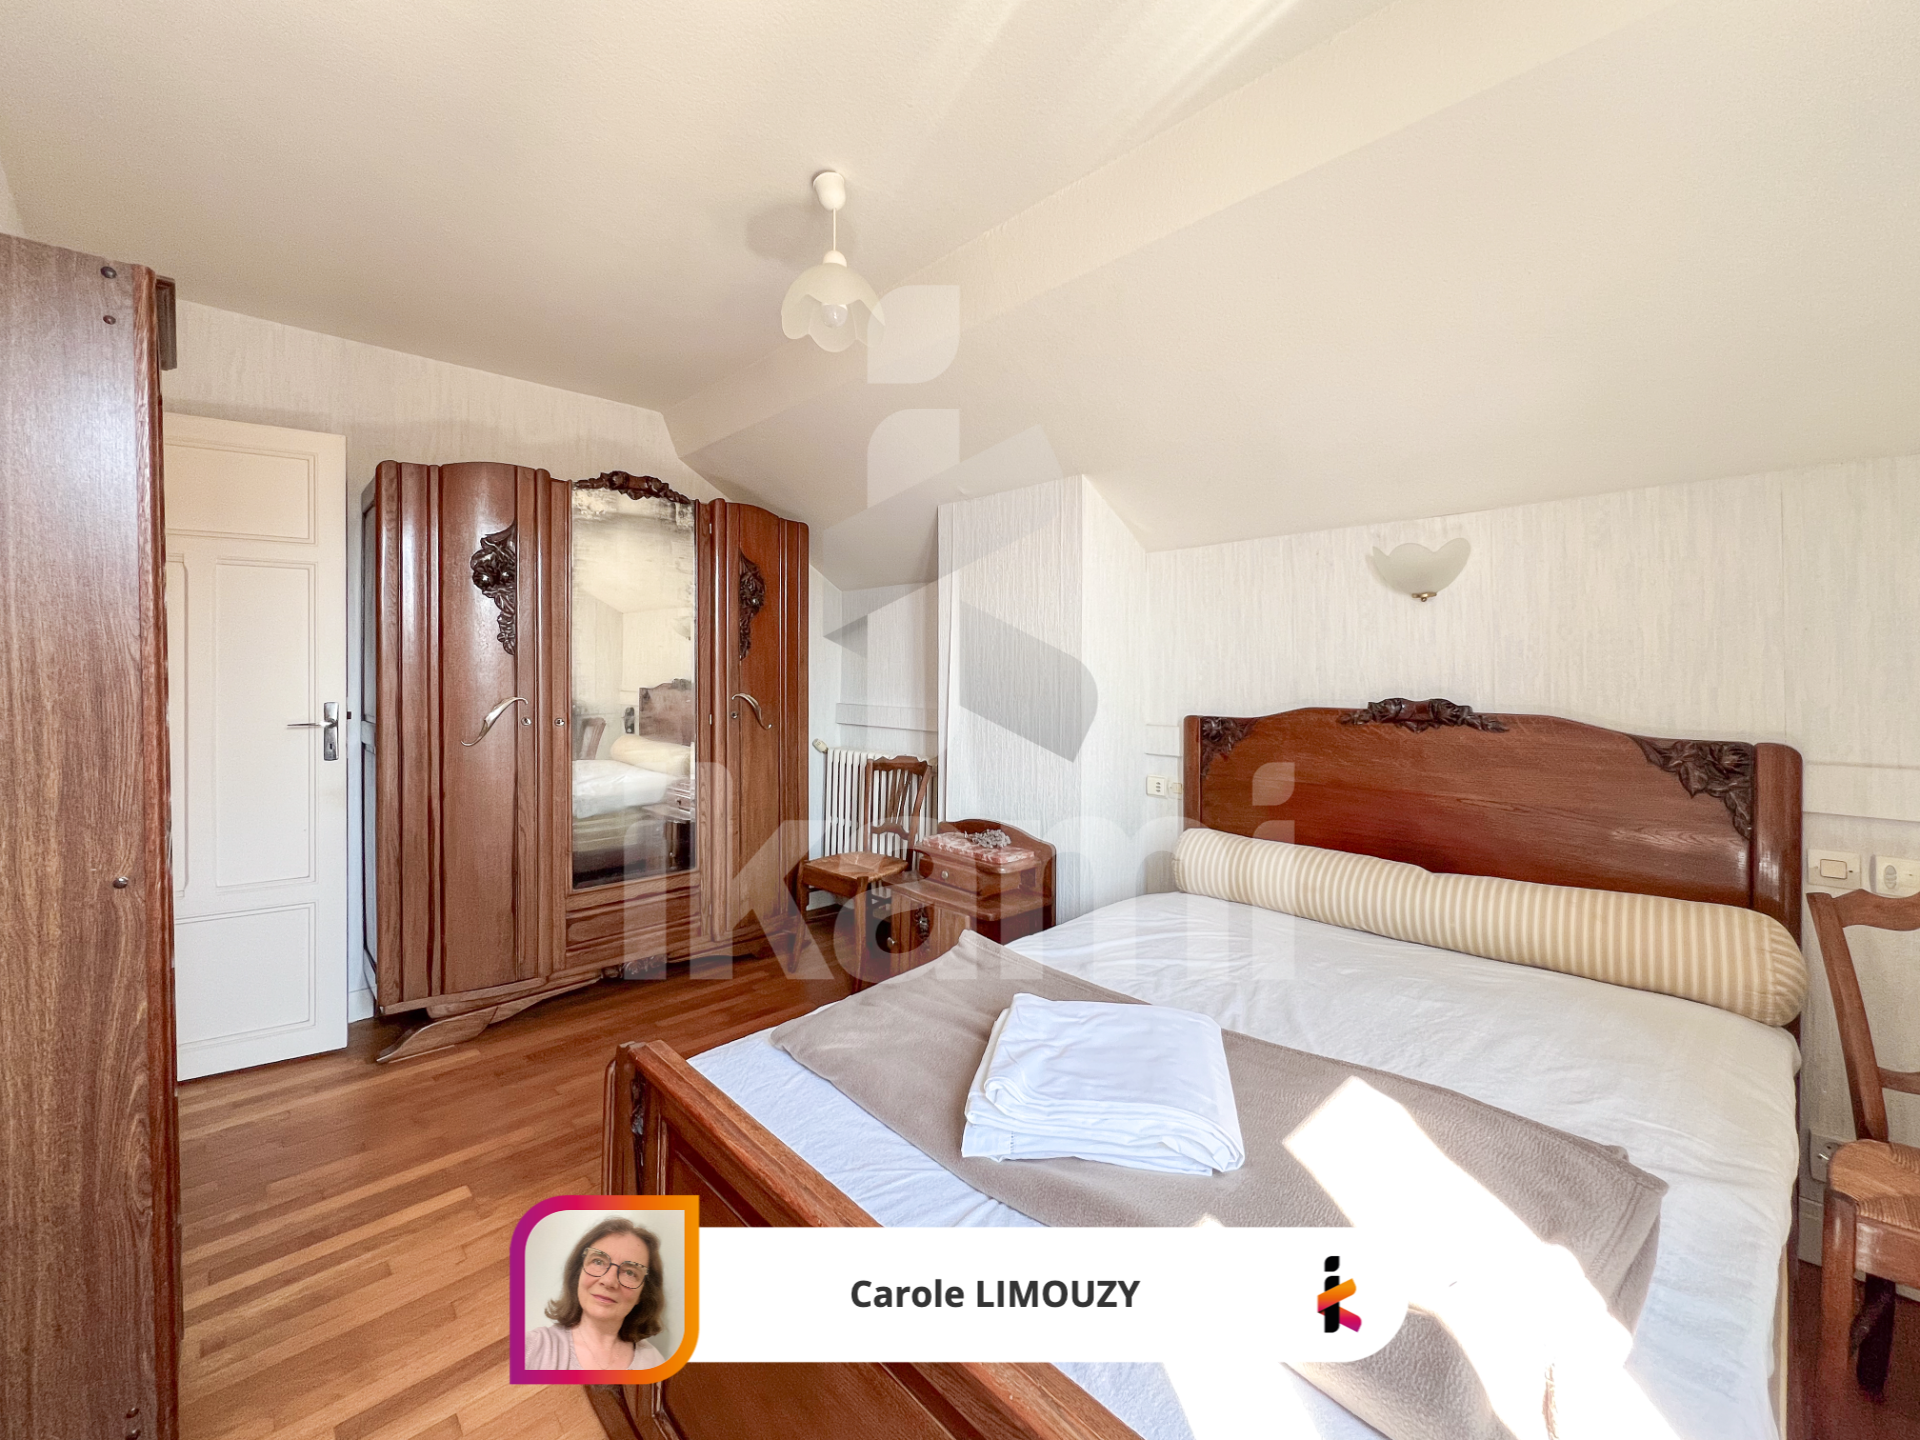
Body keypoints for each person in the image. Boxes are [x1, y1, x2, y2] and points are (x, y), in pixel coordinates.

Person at [524, 1217, 668, 1370]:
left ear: (643, 1292)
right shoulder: (530, 1349)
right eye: (598, 1262)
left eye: (630, 1273)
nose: (609, 1281)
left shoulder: (655, 1363)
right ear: (578, 1273)